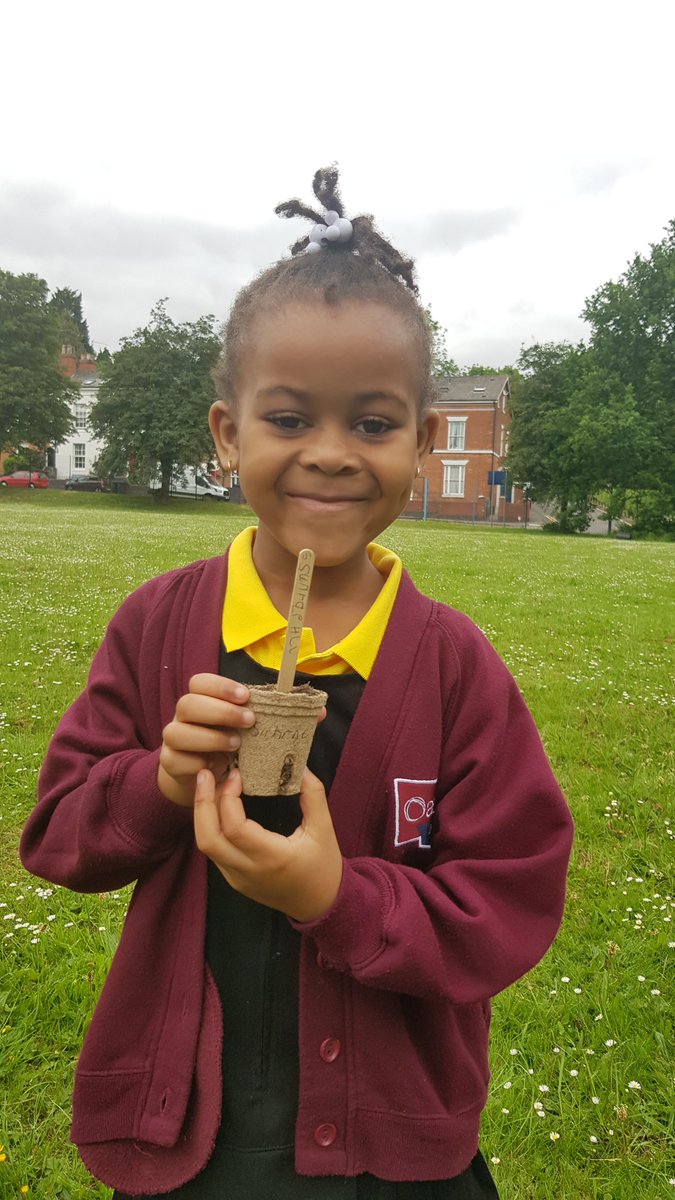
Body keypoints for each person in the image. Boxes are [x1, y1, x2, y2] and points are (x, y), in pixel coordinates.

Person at [20, 167, 574, 1199]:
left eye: (371, 425)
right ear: (229, 435)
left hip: (396, 1153)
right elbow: (57, 834)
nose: (329, 455)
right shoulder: (157, 630)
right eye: (288, 420)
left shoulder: (454, 670)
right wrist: (158, 783)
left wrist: (338, 897)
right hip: (194, 1136)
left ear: (420, 448)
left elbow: (512, 896)